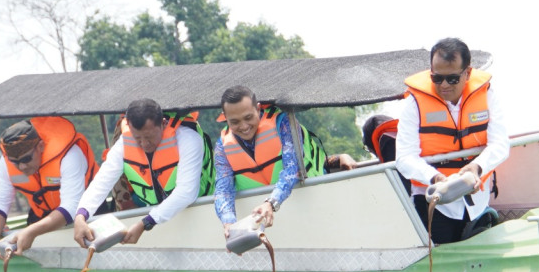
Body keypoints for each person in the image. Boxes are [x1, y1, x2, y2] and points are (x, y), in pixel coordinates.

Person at [395, 37, 509, 244]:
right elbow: (404, 157)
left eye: (452, 79)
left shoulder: (487, 96)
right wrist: (436, 178)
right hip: (433, 202)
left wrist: (476, 167)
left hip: (477, 200)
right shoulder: (414, 104)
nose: (444, 85)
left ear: (467, 73)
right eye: (437, 79)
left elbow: (500, 144)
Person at [213, 85, 355, 239]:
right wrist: (230, 224)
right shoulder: (222, 147)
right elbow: (223, 189)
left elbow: (292, 170)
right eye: (234, 122)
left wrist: (270, 203)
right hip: (274, 229)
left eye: (248, 118)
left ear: (258, 108)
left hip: (315, 209)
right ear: (225, 118)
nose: (243, 126)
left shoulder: (284, 123)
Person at [73, 98, 214, 246]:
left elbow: (187, 192)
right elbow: (102, 182)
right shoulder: (124, 143)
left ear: (163, 124)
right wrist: (80, 216)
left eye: (149, 137)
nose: (144, 144)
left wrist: (145, 223)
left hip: (202, 209)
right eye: (137, 138)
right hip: (158, 216)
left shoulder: (189, 138)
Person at [0, 118, 98, 258]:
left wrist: (31, 231)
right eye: (15, 162)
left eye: (26, 159)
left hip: (86, 217)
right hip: (41, 219)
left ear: (41, 146)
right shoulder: (6, 162)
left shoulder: (70, 155)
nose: (22, 167)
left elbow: (72, 207)